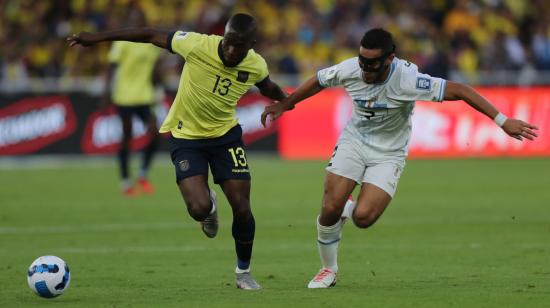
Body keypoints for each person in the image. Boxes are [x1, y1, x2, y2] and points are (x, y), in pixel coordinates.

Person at [261, 28, 539, 288]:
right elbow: (319, 81)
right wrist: (287, 103)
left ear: (389, 59)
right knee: (328, 208)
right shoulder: (350, 69)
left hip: (389, 154)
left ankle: (348, 209)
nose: (365, 69)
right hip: (354, 142)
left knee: (364, 218)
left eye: (372, 63)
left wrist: (502, 121)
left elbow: (462, 90)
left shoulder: (409, 80)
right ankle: (329, 269)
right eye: (362, 61)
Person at [68, 13, 287, 290]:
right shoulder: (196, 44)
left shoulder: (255, 64)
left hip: (226, 138)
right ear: (223, 36)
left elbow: (268, 86)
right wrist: (97, 38)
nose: (231, 50)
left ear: (251, 45)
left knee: (242, 209)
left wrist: (287, 101)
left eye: (239, 46)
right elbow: (149, 34)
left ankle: (243, 273)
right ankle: (209, 204)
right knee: (198, 209)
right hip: (187, 137)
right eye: (229, 42)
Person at [103, 8, 161, 196]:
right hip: (125, 96)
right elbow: (111, 67)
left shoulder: (151, 44)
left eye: (140, 19)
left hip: (145, 96)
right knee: (127, 138)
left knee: (155, 132)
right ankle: (126, 182)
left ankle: (142, 173)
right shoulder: (123, 43)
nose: (137, 23)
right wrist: (106, 92)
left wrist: (158, 85)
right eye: (134, 19)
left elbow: (154, 71)